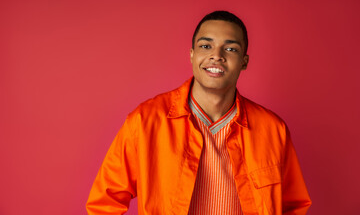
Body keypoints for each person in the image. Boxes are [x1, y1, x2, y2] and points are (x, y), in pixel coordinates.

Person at [86, 11, 312, 215]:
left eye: (230, 49)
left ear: (244, 62)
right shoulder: (145, 121)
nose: (217, 56)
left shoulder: (272, 129)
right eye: (206, 46)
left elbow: (294, 206)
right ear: (192, 54)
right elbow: (104, 203)